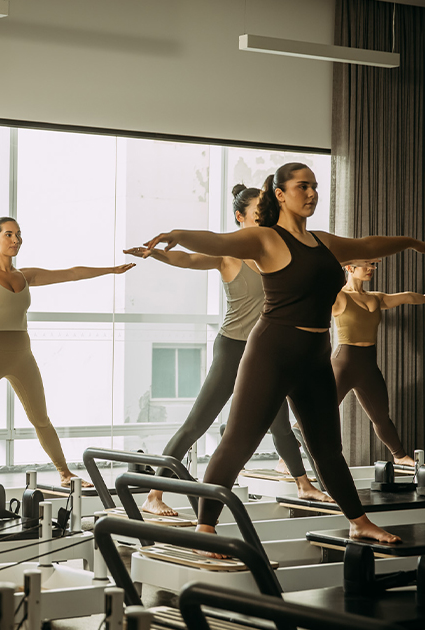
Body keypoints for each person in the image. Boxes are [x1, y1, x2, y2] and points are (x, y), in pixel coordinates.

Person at [143, 162, 425, 547]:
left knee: (328, 449)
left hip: (316, 356)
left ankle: (359, 522)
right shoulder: (266, 239)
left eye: (315, 186)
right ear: (280, 194)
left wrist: (411, 242)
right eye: (302, 186)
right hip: (272, 352)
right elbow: (217, 242)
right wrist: (177, 235)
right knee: (239, 442)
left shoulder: (324, 242)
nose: (311, 193)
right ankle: (205, 528)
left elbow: (367, 246)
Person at [124, 184, 329, 517]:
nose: (264, 218)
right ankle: (154, 494)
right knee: (196, 424)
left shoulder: (275, 253)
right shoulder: (228, 255)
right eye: (257, 213)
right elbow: (188, 259)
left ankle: (303, 484)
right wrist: (156, 254)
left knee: (280, 424)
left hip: (267, 351)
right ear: (239, 217)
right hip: (234, 347)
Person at [0, 217, 135, 487]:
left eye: (18, 234)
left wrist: (111, 270)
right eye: (9, 234)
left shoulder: (25, 276)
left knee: (41, 419)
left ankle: (65, 474)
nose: (16, 240)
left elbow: (71, 273)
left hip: (22, 355)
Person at [331, 260, 425, 467]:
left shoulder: (376, 297)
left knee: (381, 416)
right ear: (350, 268)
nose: (371, 269)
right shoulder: (338, 297)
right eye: (366, 264)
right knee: (322, 412)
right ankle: (287, 456)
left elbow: (408, 297)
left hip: (368, 367)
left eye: (373, 264)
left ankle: (399, 456)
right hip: (343, 365)